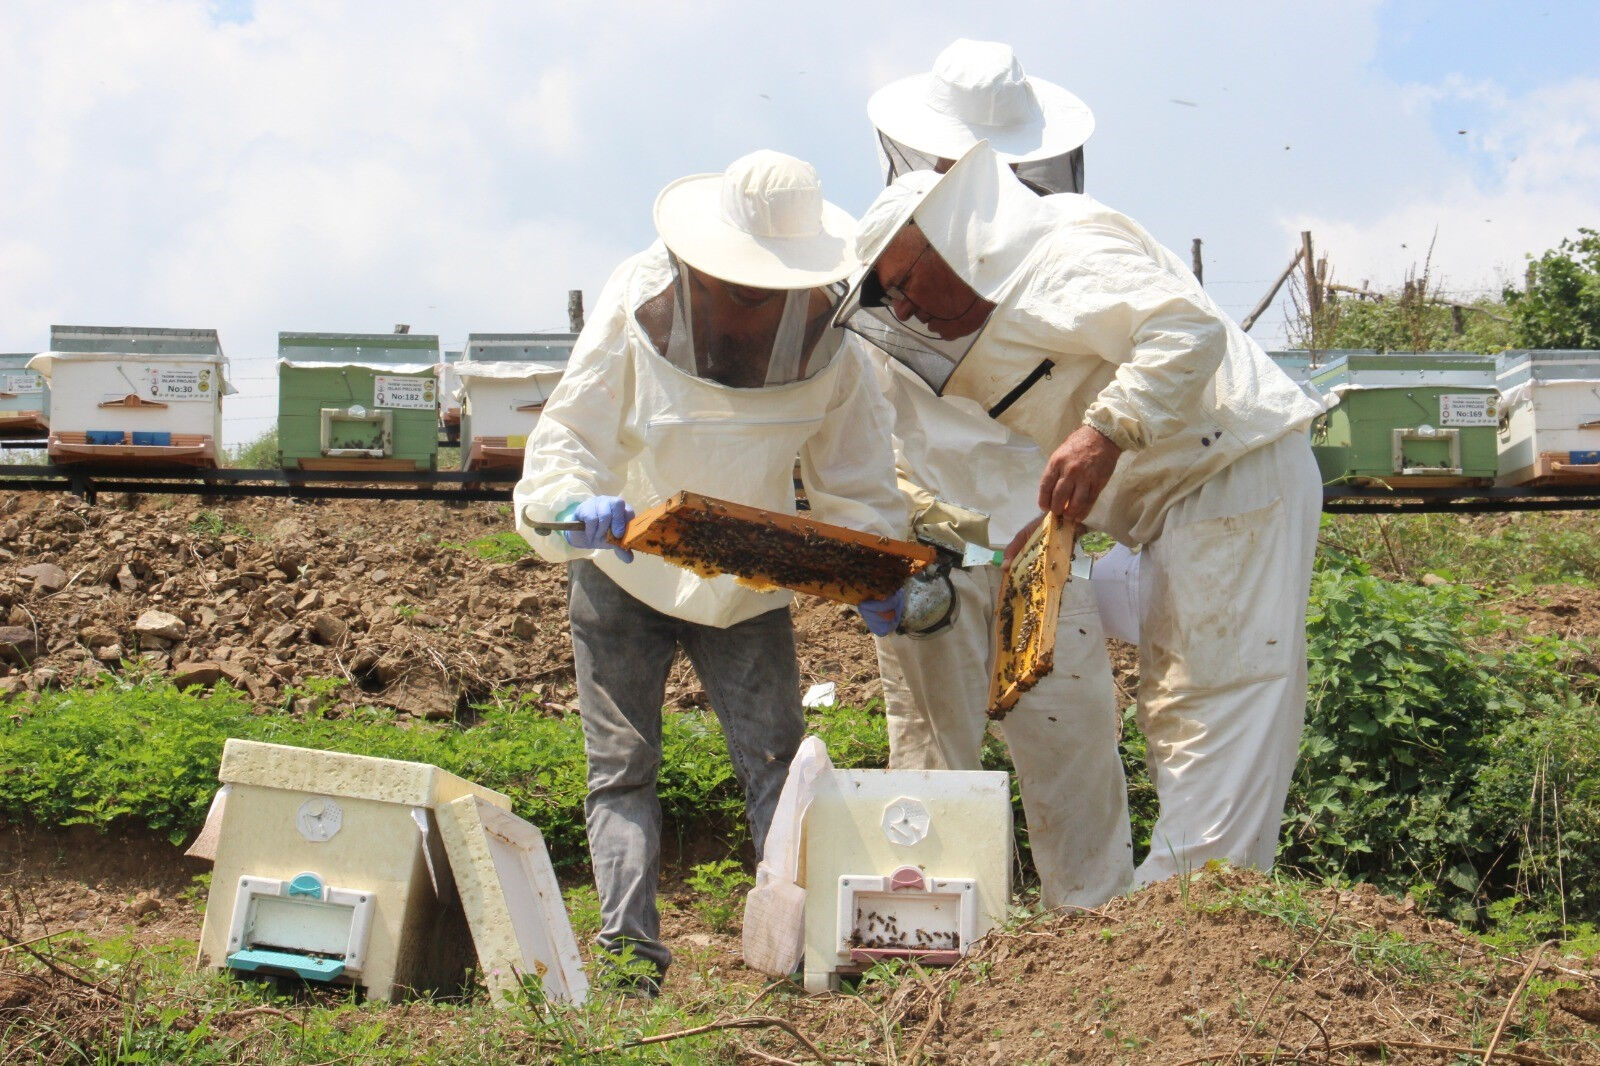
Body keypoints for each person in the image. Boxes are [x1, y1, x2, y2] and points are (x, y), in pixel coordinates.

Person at [838, 139, 1327, 891]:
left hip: (1232, 482)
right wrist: (1065, 523)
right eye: (887, 300)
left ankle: (1193, 929)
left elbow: (1186, 330)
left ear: (947, 236)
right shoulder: (1019, 281)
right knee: (1177, 709)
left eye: (901, 283)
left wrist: (1103, 432)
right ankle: (1182, 931)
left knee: (1217, 704)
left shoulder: (1061, 249)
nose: (902, 310)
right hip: (1187, 503)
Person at [514, 150, 909, 991]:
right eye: (744, 288)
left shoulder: (835, 343)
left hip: (745, 582)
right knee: (621, 768)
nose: (763, 306)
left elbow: (857, 480)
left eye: (778, 290)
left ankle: (799, 955)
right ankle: (628, 962)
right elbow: (566, 440)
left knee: (777, 762)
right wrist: (572, 503)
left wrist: (873, 564)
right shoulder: (634, 300)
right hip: (623, 571)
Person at [862, 39, 1134, 908]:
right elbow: (862, 423)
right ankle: (929, 936)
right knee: (931, 761)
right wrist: (888, 537)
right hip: (932, 548)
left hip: (1045, 545)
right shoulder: (888, 252)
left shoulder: (1058, 247)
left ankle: (1093, 948)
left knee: (1074, 749)